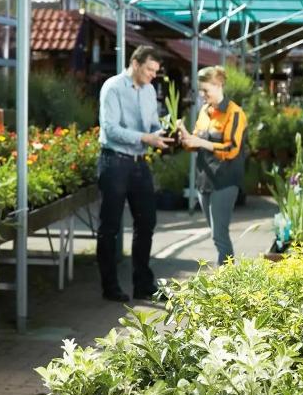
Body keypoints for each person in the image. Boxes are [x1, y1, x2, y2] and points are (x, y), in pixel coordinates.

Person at [96, 45, 173, 302]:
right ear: (136, 63)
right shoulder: (113, 87)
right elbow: (110, 129)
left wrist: (164, 134)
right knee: (110, 227)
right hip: (114, 162)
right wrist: (145, 137)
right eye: (150, 69)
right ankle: (110, 287)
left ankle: (143, 285)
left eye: (156, 71)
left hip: (139, 163)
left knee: (147, 222)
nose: (153, 75)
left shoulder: (150, 90)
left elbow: (151, 126)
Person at [179, 65, 248, 266]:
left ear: (218, 85)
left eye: (205, 90)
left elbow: (232, 148)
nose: (202, 95)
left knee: (220, 234)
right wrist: (186, 137)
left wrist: (200, 142)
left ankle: (227, 282)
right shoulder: (204, 111)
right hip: (205, 180)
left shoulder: (235, 113)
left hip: (225, 180)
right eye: (200, 90)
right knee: (215, 234)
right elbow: (196, 143)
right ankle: (227, 280)